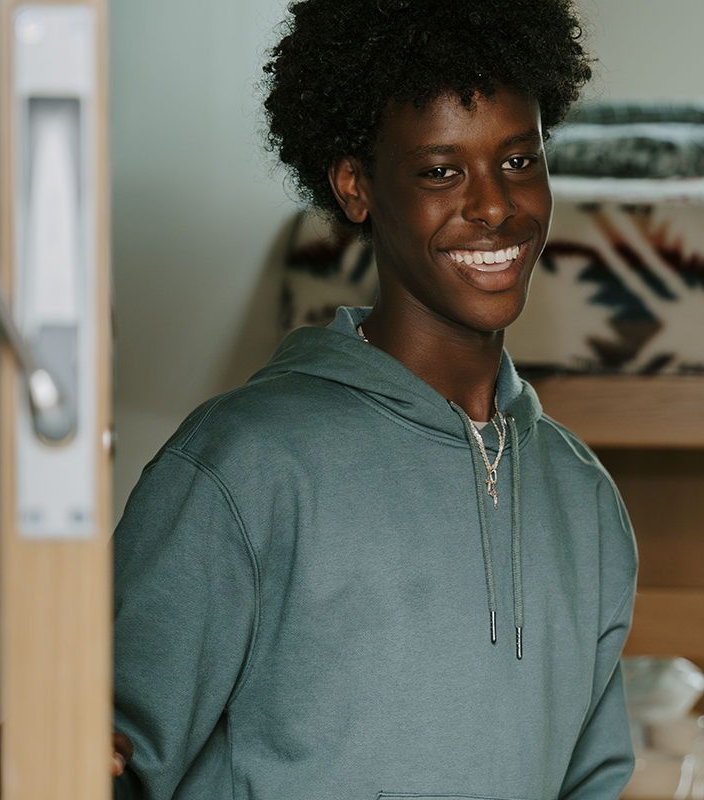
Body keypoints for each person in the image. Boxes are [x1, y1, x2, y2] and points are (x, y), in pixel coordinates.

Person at [109, 1, 634, 797]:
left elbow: (592, 783)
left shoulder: (585, 502)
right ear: (356, 186)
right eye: (441, 171)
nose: (494, 205)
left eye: (519, 161)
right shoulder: (240, 467)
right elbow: (104, 760)